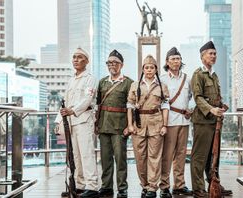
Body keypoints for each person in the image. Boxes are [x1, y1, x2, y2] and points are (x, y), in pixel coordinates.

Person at [54, 47, 99, 198]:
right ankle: (79, 186)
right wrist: (58, 120)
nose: (76, 60)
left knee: (87, 154)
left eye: (80, 57)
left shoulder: (90, 78)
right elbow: (65, 102)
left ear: (86, 61)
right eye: (74, 57)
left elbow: (87, 100)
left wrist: (72, 111)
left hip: (84, 120)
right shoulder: (71, 80)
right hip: (71, 122)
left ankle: (92, 186)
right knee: (76, 156)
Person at [190, 41, 231, 197]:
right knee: (200, 156)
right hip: (202, 120)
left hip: (215, 121)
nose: (214, 56)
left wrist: (220, 106)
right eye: (210, 53)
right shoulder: (198, 74)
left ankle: (215, 184)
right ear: (202, 56)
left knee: (214, 156)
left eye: (215, 54)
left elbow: (214, 96)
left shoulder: (214, 75)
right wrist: (211, 109)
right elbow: (198, 98)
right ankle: (198, 189)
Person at [127, 55, 170, 198]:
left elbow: (165, 106)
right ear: (143, 69)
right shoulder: (135, 85)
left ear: (156, 69)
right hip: (139, 124)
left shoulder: (162, 86)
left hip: (156, 123)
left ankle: (152, 187)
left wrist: (165, 125)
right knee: (140, 157)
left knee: (154, 157)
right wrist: (130, 125)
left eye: (152, 67)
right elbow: (130, 106)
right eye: (146, 67)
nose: (149, 70)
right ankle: (144, 185)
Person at [95, 50, 133, 198]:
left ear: (121, 65)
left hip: (119, 127)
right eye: (109, 63)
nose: (112, 65)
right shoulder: (102, 82)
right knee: (105, 159)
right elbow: (98, 104)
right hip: (103, 125)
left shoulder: (128, 83)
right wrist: (96, 124)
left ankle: (122, 188)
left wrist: (129, 126)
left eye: (115, 63)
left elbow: (132, 107)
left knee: (120, 159)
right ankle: (106, 186)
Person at [159, 47, 193, 198]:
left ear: (181, 61)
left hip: (184, 121)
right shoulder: (162, 79)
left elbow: (193, 97)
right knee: (167, 155)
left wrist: (190, 109)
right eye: (172, 59)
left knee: (181, 154)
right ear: (167, 62)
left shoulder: (187, 78)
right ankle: (164, 185)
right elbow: (159, 100)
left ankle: (179, 185)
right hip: (169, 121)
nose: (175, 61)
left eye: (178, 58)